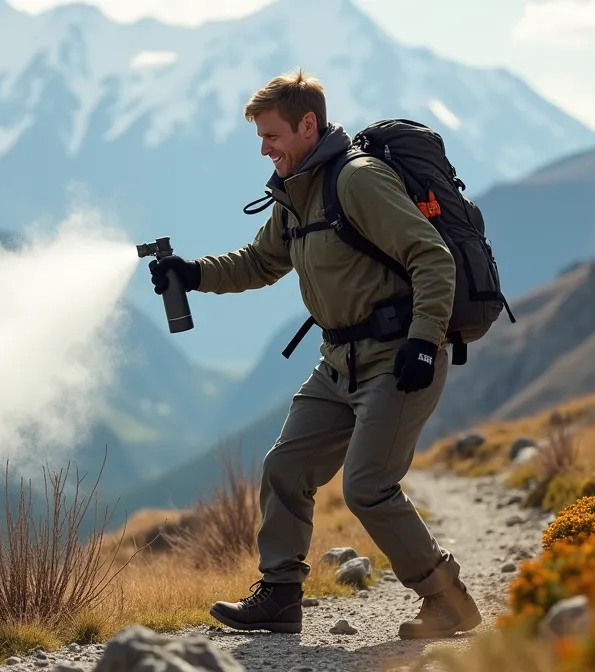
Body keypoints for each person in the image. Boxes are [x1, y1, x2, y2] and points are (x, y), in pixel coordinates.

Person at [147, 68, 481, 639]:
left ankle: (448, 599)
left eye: (271, 135)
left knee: (367, 487)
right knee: (285, 468)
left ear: (308, 125)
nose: (263, 148)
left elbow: (432, 257)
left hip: (398, 356)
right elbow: (259, 263)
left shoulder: (358, 180)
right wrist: (193, 273)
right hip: (338, 362)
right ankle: (279, 597)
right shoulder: (295, 193)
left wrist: (425, 342)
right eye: (258, 137)